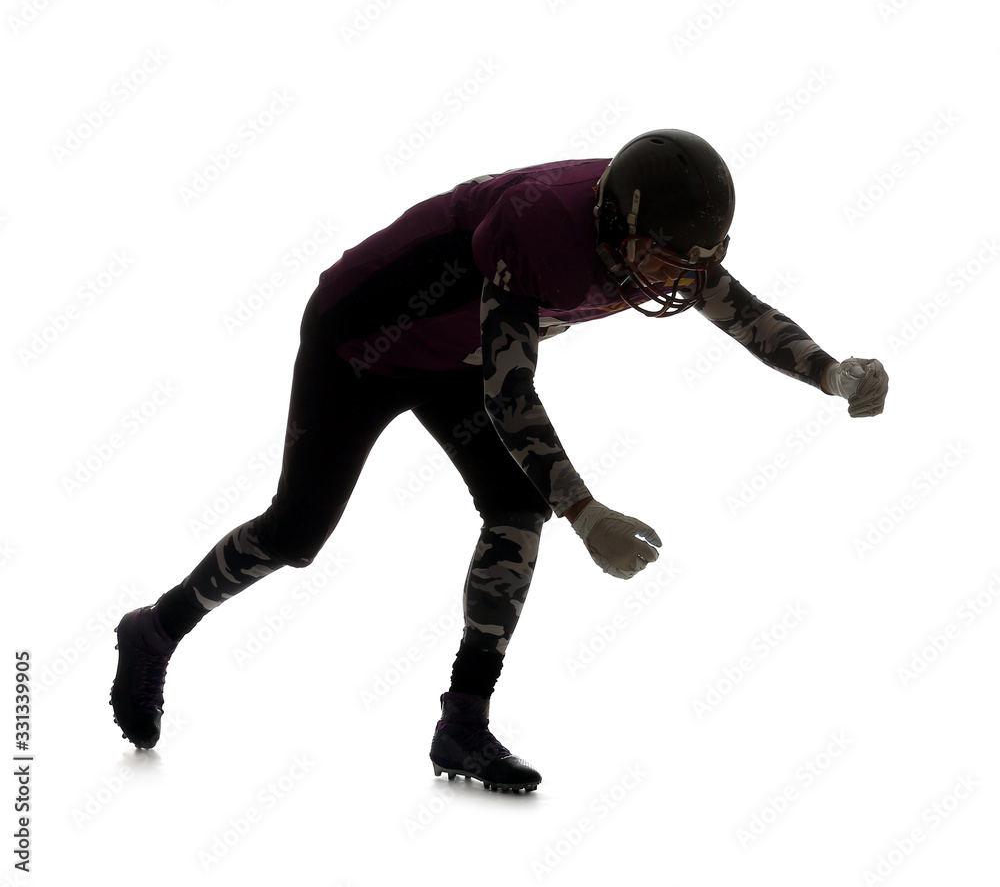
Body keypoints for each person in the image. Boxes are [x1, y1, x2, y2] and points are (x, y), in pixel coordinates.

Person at [111, 129, 888, 793]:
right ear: (616, 227)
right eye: (662, 259)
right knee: (297, 531)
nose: (675, 280)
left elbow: (739, 310)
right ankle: (156, 628)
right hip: (363, 341)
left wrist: (828, 370)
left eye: (695, 260)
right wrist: (586, 511)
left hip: (458, 354)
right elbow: (510, 387)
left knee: (517, 509)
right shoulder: (539, 224)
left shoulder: (652, 229)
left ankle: (464, 722)